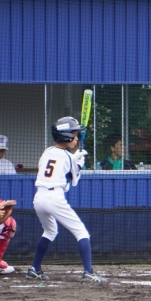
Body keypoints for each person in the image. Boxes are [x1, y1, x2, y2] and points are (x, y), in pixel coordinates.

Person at [27, 116, 105, 283]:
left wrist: (74, 159)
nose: (77, 138)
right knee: (81, 232)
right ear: (66, 136)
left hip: (38, 198)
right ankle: (88, 272)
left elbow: (56, 165)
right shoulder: (68, 157)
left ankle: (34, 269)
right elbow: (74, 181)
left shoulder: (47, 151)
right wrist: (79, 164)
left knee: (50, 231)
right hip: (54, 198)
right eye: (74, 134)